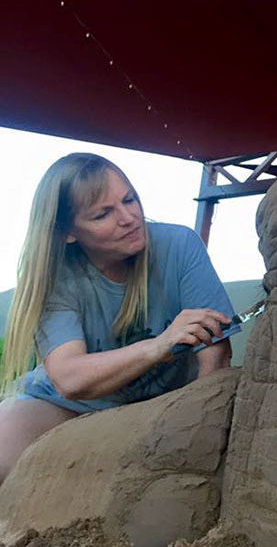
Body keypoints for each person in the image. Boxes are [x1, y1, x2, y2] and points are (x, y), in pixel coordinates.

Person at [0, 153, 234, 486]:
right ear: (67, 232)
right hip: (68, 406)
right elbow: (69, 378)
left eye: (129, 199)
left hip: (167, 405)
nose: (129, 218)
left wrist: (198, 424)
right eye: (103, 214)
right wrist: (159, 345)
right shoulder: (54, 278)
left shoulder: (180, 245)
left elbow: (217, 357)